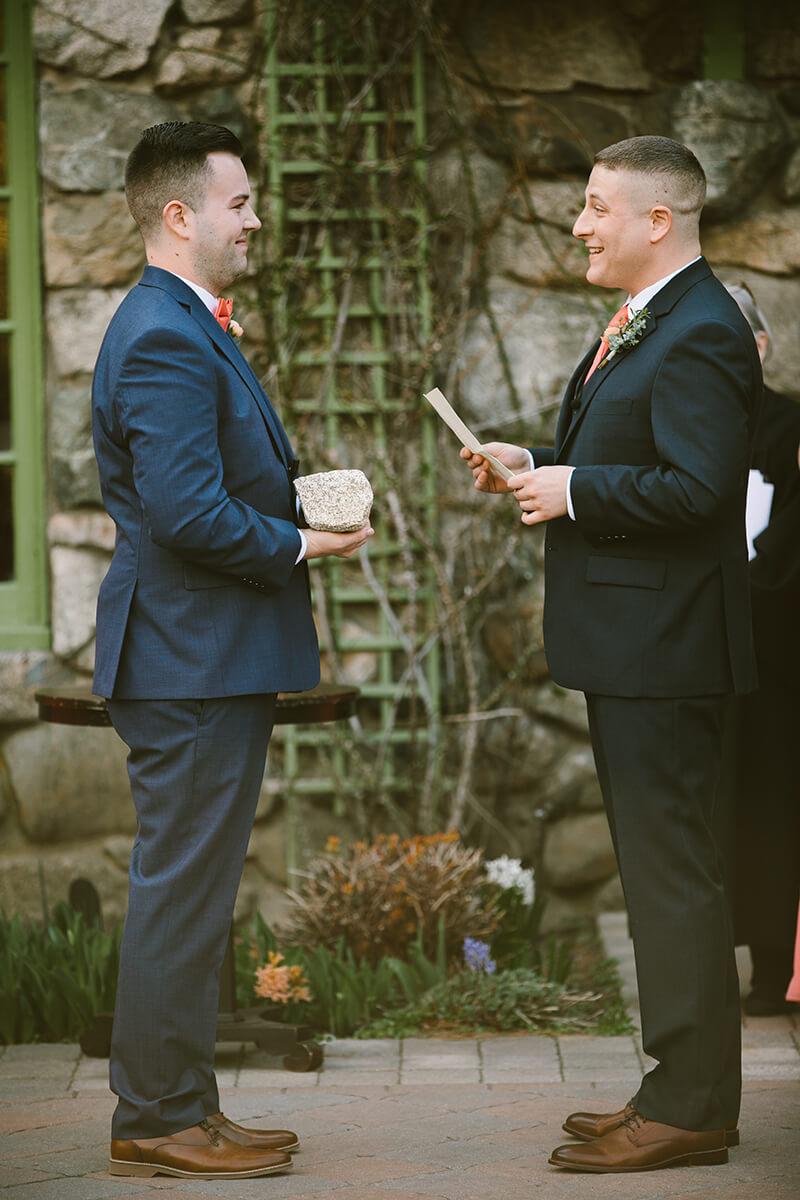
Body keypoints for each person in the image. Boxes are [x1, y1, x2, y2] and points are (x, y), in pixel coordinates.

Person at [461, 135, 762, 1173]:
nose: (579, 223)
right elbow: (636, 454)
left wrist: (573, 493)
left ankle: (687, 1108)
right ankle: (674, 1086)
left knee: (673, 879)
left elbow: (698, 489)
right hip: (638, 642)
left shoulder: (701, 331)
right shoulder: (652, 320)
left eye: (595, 207)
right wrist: (534, 462)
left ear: (657, 222)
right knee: (658, 875)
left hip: (667, 647)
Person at [92, 121, 373, 1181]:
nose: (255, 219)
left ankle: (181, 1106)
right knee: (181, 891)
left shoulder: (184, 322)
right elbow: (185, 514)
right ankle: (156, 1119)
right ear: (180, 215)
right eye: (240, 202)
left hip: (197, 656)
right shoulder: (163, 332)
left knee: (194, 890)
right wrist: (308, 540)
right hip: (189, 659)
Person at [719, 283, 800, 1016]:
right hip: (698, 654)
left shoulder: (791, 427)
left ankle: (774, 967)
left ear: (762, 347)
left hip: (775, 661)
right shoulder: (688, 425)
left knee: (773, 808)